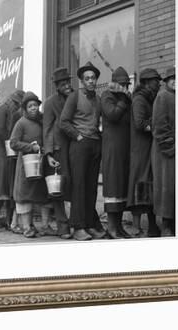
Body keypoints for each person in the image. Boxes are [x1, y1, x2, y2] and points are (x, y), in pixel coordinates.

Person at [60, 61, 106, 241]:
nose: (91, 81)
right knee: (79, 186)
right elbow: (63, 122)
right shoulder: (74, 97)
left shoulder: (99, 99)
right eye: (87, 78)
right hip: (79, 145)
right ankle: (78, 227)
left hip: (95, 144)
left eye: (93, 78)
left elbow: (101, 121)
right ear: (82, 81)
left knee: (91, 188)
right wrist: (77, 136)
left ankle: (89, 224)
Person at [126, 68, 163, 237]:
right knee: (141, 184)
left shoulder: (151, 97)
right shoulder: (140, 99)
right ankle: (137, 226)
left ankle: (151, 225)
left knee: (149, 184)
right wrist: (158, 125)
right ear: (148, 82)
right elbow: (140, 123)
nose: (159, 83)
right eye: (156, 80)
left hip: (149, 147)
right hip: (141, 149)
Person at [10, 91, 49, 238]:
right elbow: (13, 143)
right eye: (30, 106)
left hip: (39, 163)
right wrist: (30, 147)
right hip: (25, 165)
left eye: (35, 105)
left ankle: (43, 226)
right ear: (25, 108)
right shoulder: (21, 123)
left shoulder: (41, 121)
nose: (33, 108)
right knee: (24, 195)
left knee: (38, 194)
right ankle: (26, 227)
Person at [100, 66, 132, 239]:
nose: (125, 87)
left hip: (124, 147)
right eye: (122, 84)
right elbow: (112, 115)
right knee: (113, 186)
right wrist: (123, 100)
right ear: (114, 84)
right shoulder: (107, 96)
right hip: (112, 148)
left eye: (126, 84)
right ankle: (111, 228)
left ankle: (118, 227)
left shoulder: (126, 97)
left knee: (121, 187)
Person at [0, 90, 24, 233]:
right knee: (0, 186)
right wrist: (11, 143)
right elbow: (0, 130)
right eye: (15, 103)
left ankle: (8, 220)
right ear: (11, 100)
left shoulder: (15, 112)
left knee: (10, 188)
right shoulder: (2, 110)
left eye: (18, 104)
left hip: (11, 152)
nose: (16, 106)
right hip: (2, 152)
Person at [43, 67, 73, 239]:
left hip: (75, 149)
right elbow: (47, 129)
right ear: (57, 86)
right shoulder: (50, 103)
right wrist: (48, 154)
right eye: (62, 84)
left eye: (68, 82)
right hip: (58, 150)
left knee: (75, 186)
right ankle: (62, 226)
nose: (66, 86)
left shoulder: (77, 98)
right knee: (58, 188)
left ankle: (77, 223)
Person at [152, 66, 176, 236]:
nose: (176, 81)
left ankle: (173, 224)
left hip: (175, 149)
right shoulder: (163, 96)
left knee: (174, 187)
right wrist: (171, 148)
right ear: (167, 81)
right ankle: (165, 226)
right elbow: (160, 127)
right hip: (165, 151)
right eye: (172, 78)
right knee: (166, 187)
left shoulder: (176, 96)